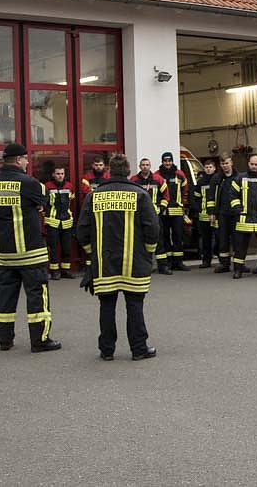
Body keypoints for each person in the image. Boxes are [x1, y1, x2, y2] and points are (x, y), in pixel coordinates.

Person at [77, 154, 160, 361]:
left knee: (107, 306)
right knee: (135, 306)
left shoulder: (94, 196)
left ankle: (107, 350)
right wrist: (148, 251)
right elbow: (153, 229)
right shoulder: (140, 194)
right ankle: (139, 349)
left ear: (109, 171)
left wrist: (91, 252)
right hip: (135, 262)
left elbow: (82, 230)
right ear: (128, 170)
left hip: (104, 263)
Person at [0, 143, 61, 353]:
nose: (28, 162)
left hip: (5, 253)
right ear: (19, 160)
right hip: (30, 252)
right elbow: (45, 198)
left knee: (5, 296)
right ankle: (40, 340)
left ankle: (4, 339)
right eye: (26, 159)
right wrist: (37, 205)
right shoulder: (29, 182)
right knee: (37, 295)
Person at [131, 158, 171, 274]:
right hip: (139, 216)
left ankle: (163, 266)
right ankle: (142, 267)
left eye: (147, 165)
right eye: (143, 165)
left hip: (154, 215)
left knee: (159, 240)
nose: (145, 167)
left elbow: (166, 196)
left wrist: (161, 208)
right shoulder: (133, 180)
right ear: (139, 166)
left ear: (150, 166)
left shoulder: (158, 179)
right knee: (139, 241)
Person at [155, 152, 189, 271]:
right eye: (165, 161)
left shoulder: (179, 174)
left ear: (172, 161)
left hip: (177, 211)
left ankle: (178, 262)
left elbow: (185, 190)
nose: (167, 163)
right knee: (164, 237)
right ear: (162, 162)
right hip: (163, 211)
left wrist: (183, 204)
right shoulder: (157, 175)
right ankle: (168, 262)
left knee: (178, 236)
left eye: (169, 161)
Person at [207, 152, 240, 273]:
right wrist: (211, 212)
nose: (225, 166)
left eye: (227, 163)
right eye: (222, 163)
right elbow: (211, 196)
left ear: (231, 162)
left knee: (238, 239)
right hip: (222, 213)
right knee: (223, 239)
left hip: (236, 213)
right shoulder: (216, 178)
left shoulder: (239, 177)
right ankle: (224, 264)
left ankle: (238, 263)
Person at [44, 167, 75, 280]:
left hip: (67, 221)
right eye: (57, 174)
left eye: (62, 173)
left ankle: (65, 270)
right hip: (52, 221)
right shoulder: (47, 186)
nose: (60, 176)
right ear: (53, 174)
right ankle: (54, 271)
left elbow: (71, 200)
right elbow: (43, 203)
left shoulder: (69, 186)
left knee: (66, 247)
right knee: (53, 247)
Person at [191, 159, 217, 268]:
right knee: (205, 240)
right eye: (206, 167)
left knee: (219, 238)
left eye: (210, 167)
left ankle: (221, 258)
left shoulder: (218, 180)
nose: (208, 169)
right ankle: (206, 260)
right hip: (203, 215)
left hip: (216, 215)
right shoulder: (201, 182)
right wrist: (198, 209)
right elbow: (196, 197)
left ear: (214, 168)